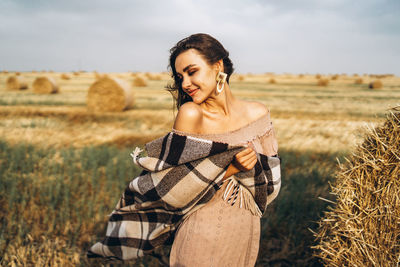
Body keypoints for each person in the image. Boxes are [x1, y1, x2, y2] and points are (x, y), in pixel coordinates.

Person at [165, 33, 279, 266]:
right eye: (180, 77)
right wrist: (230, 169)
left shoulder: (258, 114)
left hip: (245, 232)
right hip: (201, 235)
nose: (185, 84)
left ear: (218, 66)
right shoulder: (191, 115)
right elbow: (173, 188)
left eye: (191, 71)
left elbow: (271, 179)